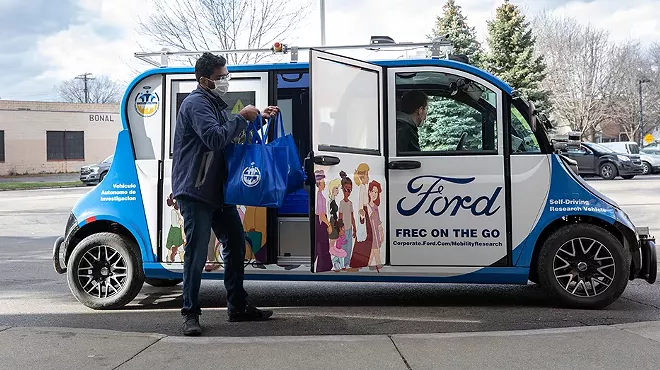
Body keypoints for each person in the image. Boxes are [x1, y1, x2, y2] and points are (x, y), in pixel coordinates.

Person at [171, 52, 278, 336]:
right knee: (196, 254)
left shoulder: (214, 104)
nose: (226, 81)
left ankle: (238, 307)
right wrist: (242, 117)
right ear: (205, 80)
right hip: (196, 191)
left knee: (235, 243)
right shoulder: (196, 103)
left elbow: (229, 136)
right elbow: (215, 137)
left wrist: (257, 120)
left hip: (218, 190)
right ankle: (190, 314)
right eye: (221, 77)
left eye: (226, 75)